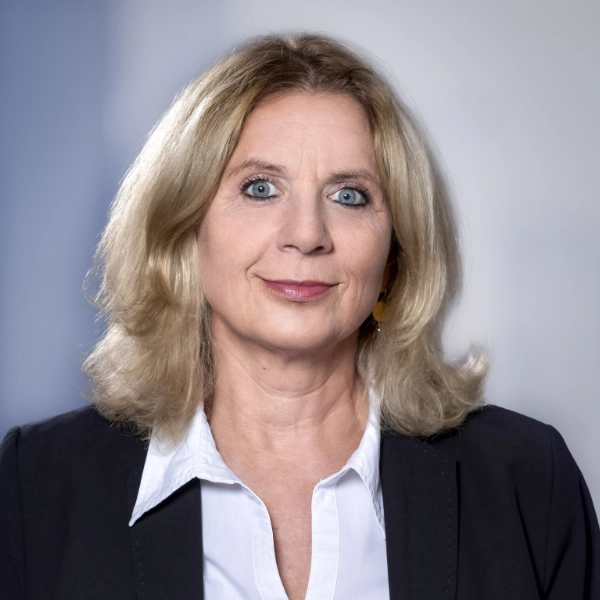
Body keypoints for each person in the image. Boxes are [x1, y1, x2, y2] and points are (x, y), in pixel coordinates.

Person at [0, 33, 598, 600]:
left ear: (395, 254)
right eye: (260, 189)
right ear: (185, 228)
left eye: (349, 196)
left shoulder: (526, 480)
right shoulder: (37, 485)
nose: (307, 234)